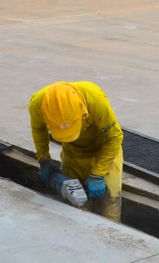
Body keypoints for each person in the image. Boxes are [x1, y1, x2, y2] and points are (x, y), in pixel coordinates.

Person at [29, 81, 123, 221]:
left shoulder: (95, 99)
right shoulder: (38, 104)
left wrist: (98, 174)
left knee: (109, 202)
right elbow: (38, 129)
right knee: (72, 206)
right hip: (73, 153)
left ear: (82, 110)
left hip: (103, 151)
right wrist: (44, 159)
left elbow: (114, 137)